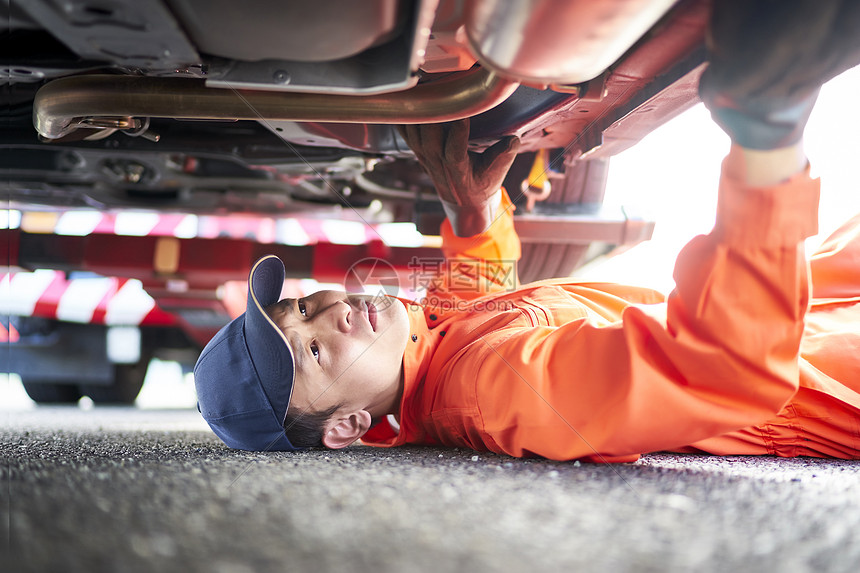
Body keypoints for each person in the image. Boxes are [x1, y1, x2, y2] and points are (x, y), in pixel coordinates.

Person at [193, 1, 860, 461]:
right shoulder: (489, 393)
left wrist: (473, 212)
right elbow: (716, 369)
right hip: (829, 368)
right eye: (311, 353)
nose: (331, 316)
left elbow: (475, 296)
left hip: (823, 298)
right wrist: (765, 148)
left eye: (303, 306)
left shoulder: (431, 349)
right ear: (347, 426)